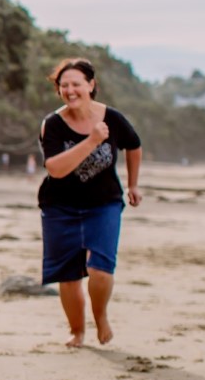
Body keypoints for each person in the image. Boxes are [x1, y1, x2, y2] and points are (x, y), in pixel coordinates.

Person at [37, 57, 142, 347]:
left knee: (100, 267)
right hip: (59, 205)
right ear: (58, 89)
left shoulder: (113, 118)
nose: (70, 90)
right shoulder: (53, 124)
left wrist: (133, 183)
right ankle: (77, 332)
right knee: (68, 274)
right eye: (64, 85)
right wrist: (92, 141)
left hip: (103, 203)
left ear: (91, 85)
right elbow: (56, 169)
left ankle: (101, 317)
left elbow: (134, 145)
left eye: (76, 84)